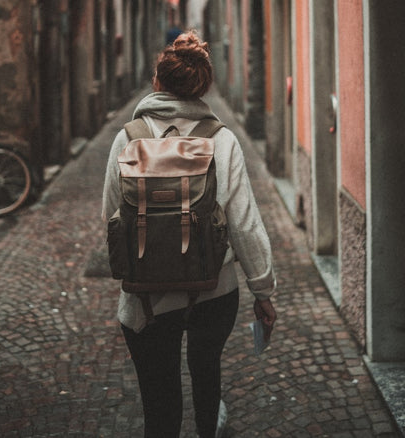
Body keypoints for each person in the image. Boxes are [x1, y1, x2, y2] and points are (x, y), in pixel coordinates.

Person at [102, 31, 277, 438]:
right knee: (206, 371)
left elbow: (111, 219)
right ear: (203, 86)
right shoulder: (223, 140)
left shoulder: (126, 139)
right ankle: (206, 427)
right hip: (214, 290)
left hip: (146, 297)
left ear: (157, 82)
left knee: (158, 403)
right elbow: (245, 223)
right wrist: (263, 291)